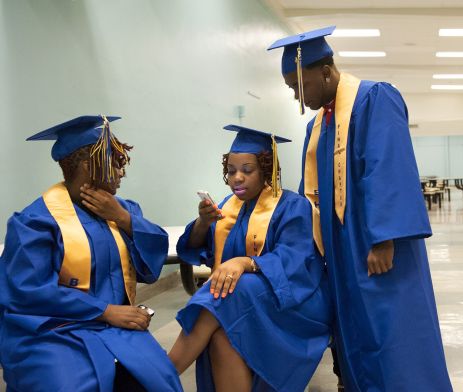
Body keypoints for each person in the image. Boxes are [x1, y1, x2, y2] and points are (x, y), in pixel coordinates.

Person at [268, 27, 453, 391]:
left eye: (299, 87)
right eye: (291, 89)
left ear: (324, 70)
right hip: (340, 247)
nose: (297, 97)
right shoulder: (318, 125)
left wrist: (385, 238)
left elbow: (389, 167)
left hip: (375, 243)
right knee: (355, 327)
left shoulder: (375, 99)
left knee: (392, 327)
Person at [0, 115, 182, 392]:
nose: (122, 173)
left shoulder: (123, 209)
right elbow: (29, 290)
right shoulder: (35, 222)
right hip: (51, 331)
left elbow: (149, 267)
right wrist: (104, 311)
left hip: (116, 326)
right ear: (88, 165)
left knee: (158, 381)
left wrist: (124, 219)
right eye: (116, 163)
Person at [168, 124, 331, 392]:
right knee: (223, 335)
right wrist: (202, 222)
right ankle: (162, 373)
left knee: (230, 290)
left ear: (266, 170)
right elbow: (199, 250)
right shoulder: (225, 208)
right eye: (231, 171)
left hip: (291, 303)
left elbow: (295, 260)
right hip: (243, 303)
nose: (237, 178)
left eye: (247, 170)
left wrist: (246, 262)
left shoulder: (292, 205)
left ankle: (165, 371)